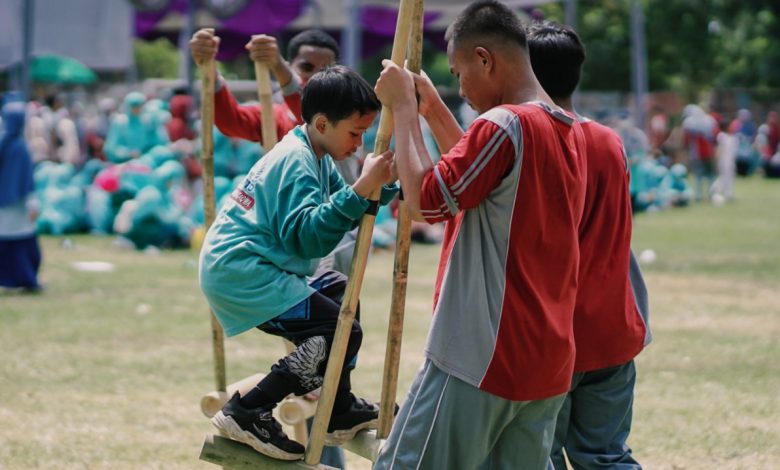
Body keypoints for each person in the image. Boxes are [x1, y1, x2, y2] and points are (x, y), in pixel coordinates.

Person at [372, 2, 587, 468]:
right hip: (544, 362)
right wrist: (430, 112)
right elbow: (476, 188)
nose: (461, 87)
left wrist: (405, 110)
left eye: (459, 70)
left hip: (482, 356)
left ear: (485, 58)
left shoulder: (504, 123)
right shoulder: (565, 129)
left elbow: (427, 202)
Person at [199, 65, 398, 461]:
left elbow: (348, 207)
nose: (359, 145)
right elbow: (308, 236)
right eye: (355, 134)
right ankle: (248, 409)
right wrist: (362, 186)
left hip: (258, 266)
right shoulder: (297, 161)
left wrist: (387, 185)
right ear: (323, 123)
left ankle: (338, 407)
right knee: (334, 329)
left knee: (343, 297)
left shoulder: (317, 154)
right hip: (242, 271)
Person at [526, 21, 651, 470]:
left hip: (556, 334)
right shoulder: (609, 141)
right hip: (614, 327)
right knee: (606, 456)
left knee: (542, 457)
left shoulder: (536, 141)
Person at [0, 99, 42, 292]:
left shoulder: (2, 143)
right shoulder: (21, 148)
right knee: (24, 250)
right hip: (19, 208)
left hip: (3, 210)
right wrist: (33, 205)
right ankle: (26, 281)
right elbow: (26, 181)